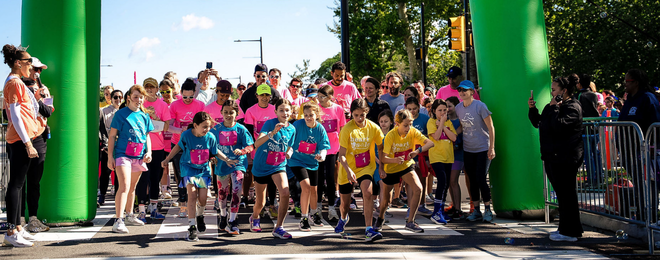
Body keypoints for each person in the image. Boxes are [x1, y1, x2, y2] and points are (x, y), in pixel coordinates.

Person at [528, 76, 584, 242]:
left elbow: (559, 126)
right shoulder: (553, 106)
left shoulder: (573, 106)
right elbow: (538, 122)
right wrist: (532, 109)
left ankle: (571, 231)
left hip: (566, 156)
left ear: (564, 91)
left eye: (554, 89)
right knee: (561, 194)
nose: (551, 92)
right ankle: (565, 229)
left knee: (567, 194)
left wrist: (554, 109)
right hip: (552, 156)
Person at [161, 112, 229, 241]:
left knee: (202, 199)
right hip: (188, 168)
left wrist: (226, 159)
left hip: (203, 170)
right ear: (195, 125)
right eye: (204, 127)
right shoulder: (186, 135)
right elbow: (177, 147)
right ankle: (192, 227)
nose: (207, 129)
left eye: (208, 127)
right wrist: (167, 159)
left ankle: (200, 215)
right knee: (192, 195)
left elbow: (215, 152)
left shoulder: (210, 137)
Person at [2, 44, 40, 247]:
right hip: (19, 139)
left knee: (18, 184)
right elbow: (15, 115)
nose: (31, 66)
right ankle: (11, 230)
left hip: (21, 138)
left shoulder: (15, 81)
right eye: (28, 62)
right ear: (18, 63)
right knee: (15, 186)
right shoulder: (14, 82)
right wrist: (27, 143)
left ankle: (17, 228)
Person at [375, 109, 434, 233]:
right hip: (391, 168)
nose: (408, 128)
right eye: (405, 125)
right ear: (397, 123)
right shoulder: (391, 135)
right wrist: (395, 160)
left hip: (406, 166)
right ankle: (380, 218)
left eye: (410, 124)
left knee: (418, 188)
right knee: (386, 201)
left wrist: (417, 151)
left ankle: (410, 221)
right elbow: (383, 158)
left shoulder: (413, 132)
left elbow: (430, 143)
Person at [334, 99, 384, 241]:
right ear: (352, 114)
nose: (359, 118)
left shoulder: (374, 128)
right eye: (356, 115)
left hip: (365, 166)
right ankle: (343, 218)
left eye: (362, 115)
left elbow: (381, 147)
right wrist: (349, 171)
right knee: (345, 203)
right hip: (347, 167)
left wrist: (381, 165)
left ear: (366, 112)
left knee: (367, 193)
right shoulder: (347, 129)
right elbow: (341, 155)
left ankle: (369, 229)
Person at [108, 84, 154, 233]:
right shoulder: (121, 114)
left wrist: (149, 152)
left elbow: (147, 136)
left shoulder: (145, 116)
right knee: (124, 186)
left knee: (132, 187)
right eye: (135, 97)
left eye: (141, 97)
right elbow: (112, 136)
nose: (138, 100)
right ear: (128, 98)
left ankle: (130, 215)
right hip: (123, 155)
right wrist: (110, 156)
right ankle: (118, 220)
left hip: (139, 156)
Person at [250, 99, 296, 239]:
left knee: (285, 193)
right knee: (261, 202)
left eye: (287, 110)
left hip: (278, 165)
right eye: (281, 110)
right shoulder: (269, 123)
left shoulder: (292, 129)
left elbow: (290, 146)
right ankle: (255, 217)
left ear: (291, 112)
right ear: (275, 112)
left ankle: (279, 227)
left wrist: (289, 152)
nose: (284, 113)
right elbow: (257, 143)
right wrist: (272, 133)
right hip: (262, 165)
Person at [618, 68, 660, 222]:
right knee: (638, 184)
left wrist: (650, 148)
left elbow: (655, 124)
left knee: (648, 185)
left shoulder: (648, 98)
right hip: (628, 150)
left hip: (644, 151)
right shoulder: (630, 99)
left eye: (627, 82)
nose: (625, 85)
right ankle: (642, 215)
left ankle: (651, 217)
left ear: (636, 82)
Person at [21, 58, 54, 233]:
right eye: (35, 69)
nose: (37, 73)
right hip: (22, 136)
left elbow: (48, 111)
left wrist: (40, 97)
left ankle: (33, 218)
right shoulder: (17, 86)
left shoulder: (44, 89)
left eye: (40, 70)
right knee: (19, 181)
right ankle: (18, 219)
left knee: (34, 180)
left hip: (40, 137)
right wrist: (33, 98)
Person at [455, 80, 496, 222]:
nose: (462, 92)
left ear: (472, 91)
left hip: (483, 148)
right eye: (460, 90)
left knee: (480, 178)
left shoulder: (480, 106)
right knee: (472, 180)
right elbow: (462, 127)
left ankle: (488, 210)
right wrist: (452, 134)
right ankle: (476, 210)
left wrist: (492, 148)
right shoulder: (458, 108)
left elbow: (491, 127)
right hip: (468, 149)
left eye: (465, 90)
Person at [211, 100, 254, 235]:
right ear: (221, 113)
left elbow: (250, 145)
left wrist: (242, 151)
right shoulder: (216, 129)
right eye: (226, 112)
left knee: (236, 191)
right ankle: (223, 216)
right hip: (222, 164)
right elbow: (210, 146)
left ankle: (233, 220)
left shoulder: (241, 129)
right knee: (222, 192)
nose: (228, 115)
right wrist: (211, 157)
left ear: (237, 113)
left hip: (238, 164)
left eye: (231, 112)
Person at [289, 103, 331, 231]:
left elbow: (324, 146)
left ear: (316, 115)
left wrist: (322, 155)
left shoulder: (320, 129)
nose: (308, 118)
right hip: (296, 161)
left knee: (314, 190)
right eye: (306, 115)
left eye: (311, 115)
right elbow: (290, 139)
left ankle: (314, 213)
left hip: (312, 162)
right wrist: (289, 151)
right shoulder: (297, 125)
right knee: (305, 186)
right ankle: (304, 217)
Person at [168, 78, 206, 216]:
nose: (188, 99)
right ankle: (183, 203)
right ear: (181, 93)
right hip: (179, 143)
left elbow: (206, 124)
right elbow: (169, 126)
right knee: (180, 174)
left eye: (191, 96)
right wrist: (180, 131)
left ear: (195, 94)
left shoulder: (200, 104)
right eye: (185, 97)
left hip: (196, 144)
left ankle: (194, 201)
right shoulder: (174, 105)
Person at [135, 77, 171, 222]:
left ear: (157, 90)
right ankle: (142, 211)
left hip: (158, 147)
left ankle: (154, 209)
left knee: (155, 179)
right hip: (140, 148)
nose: (149, 90)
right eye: (147, 87)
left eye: (152, 87)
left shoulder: (162, 105)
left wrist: (155, 116)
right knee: (142, 179)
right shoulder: (139, 104)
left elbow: (166, 126)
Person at [244, 84, 279, 218]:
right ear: (256, 96)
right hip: (258, 149)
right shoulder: (250, 111)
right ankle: (260, 204)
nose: (264, 98)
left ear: (270, 96)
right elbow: (248, 132)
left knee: (273, 177)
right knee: (260, 178)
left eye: (267, 95)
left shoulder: (274, 109)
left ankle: (272, 203)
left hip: (273, 148)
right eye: (262, 95)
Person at [315, 85, 346, 220]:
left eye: (322, 97)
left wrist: (342, 147)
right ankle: (318, 206)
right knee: (319, 178)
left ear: (330, 97)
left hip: (333, 149)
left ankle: (332, 207)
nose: (320, 99)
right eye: (318, 96)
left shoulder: (338, 109)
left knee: (331, 179)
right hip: (319, 149)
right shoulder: (316, 109)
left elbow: (342, 128)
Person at [426, 99, 457, 224]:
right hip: (436, 157)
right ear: (434, 111)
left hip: (448, 157)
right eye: (440, 110)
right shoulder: (431, 122)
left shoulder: (448, 122)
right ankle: (436, 211)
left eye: (445, 110)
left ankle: (441, 211)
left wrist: (444, 125)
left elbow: (454, 137)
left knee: (446, 183)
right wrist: (441, 125)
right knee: (442, 181)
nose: (443, 112)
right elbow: (437, 136)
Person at [404, 96, 433, 216]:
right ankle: (411, 207)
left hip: (422, 153)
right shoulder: (403, 120)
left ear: (419, 108)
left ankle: (422, 204)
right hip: (408, 154)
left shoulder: (425, 118)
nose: (412, 111)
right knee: (410, 182)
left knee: (422, 178)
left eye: (415, 108)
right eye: (409, 109)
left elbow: (430, 137)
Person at [574, 74, 601, 187]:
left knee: (588, 156)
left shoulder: (579, 95)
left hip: (585, 129)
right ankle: (599, 177)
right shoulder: (593, 95)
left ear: (580, 84)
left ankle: (591, 179)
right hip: (594, 127)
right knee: (596, 154)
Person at [445, 96, 470, 216]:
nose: (448, 109)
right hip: (449, 154)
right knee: (451, 181)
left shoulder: (460, 120)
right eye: (446, 107)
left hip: (459, 153)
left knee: (453, 180)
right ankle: (454, 206)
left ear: (456, 106)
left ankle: (458, 209)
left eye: (450, 106)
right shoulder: (446, 121)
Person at [99, 89, 123, 207]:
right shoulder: (104, 111)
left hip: (121, 146)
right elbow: (102, 129)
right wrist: (105, 145)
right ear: (111, 98)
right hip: (108, 145)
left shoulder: (124, 111)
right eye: (115, 97)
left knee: (119, 172)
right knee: (105, 172)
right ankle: (102, 194)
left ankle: (118, 197)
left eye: (120, 97)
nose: (118, 99)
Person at [159, 79, 176, 199]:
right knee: (164, 167)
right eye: (162, 91)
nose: (165, 94)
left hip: (175, 141)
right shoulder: (159, 104)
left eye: (168, 91)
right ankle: (165, 190)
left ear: (173, 90)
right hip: (162, 141)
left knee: (176, 168)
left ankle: (181, 191)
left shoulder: (177, 104)